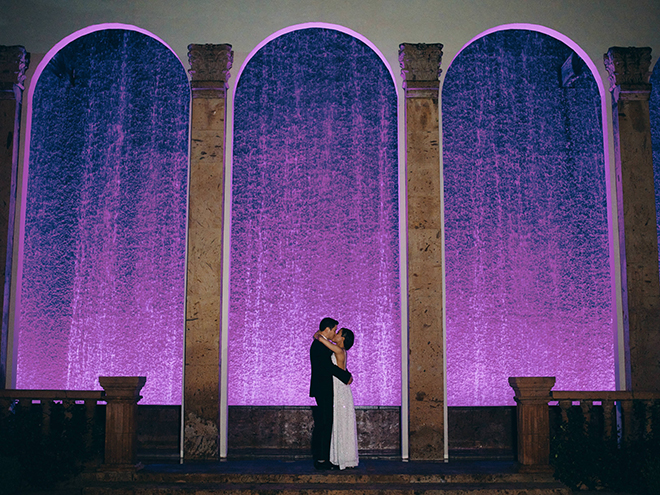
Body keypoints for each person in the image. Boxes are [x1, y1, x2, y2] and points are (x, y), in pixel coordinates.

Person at [309, 317, 352, 470]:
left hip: (328, 389)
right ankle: (322, 459)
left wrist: (319, 336)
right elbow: (328, 367)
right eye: (334, 330)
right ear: (327, 329)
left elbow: (331, 365)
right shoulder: (320, 346)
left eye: (337, 332)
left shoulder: (323, 344)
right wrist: (347, 376)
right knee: (325, 424)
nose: (335, 334)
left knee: (326, 423)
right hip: (324, 389)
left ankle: (325, 457)